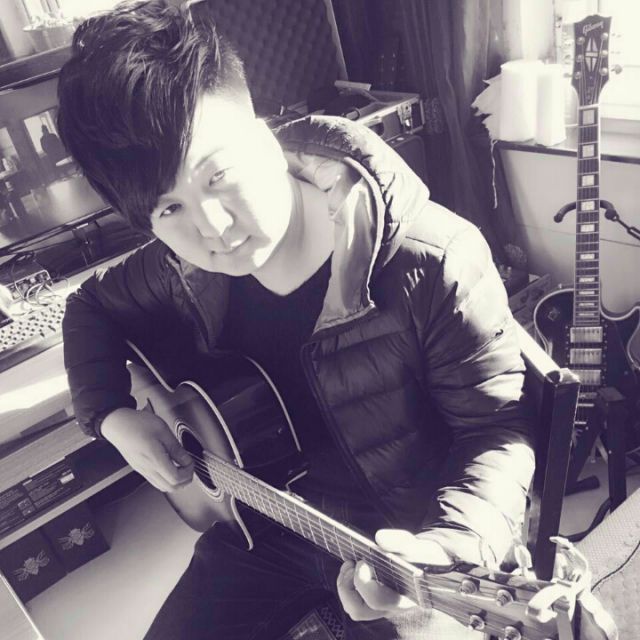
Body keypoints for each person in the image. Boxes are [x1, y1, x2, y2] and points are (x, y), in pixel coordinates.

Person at [57, 1, 535, 638]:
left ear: (265, 133)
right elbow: (88, 306)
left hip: (402, 546)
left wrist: (450, 544)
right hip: (261, 526)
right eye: (169, 210)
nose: (214, 229)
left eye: (217, 175)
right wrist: (112, 418)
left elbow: (498, 434)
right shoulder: (177, 266)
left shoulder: (434, 259)